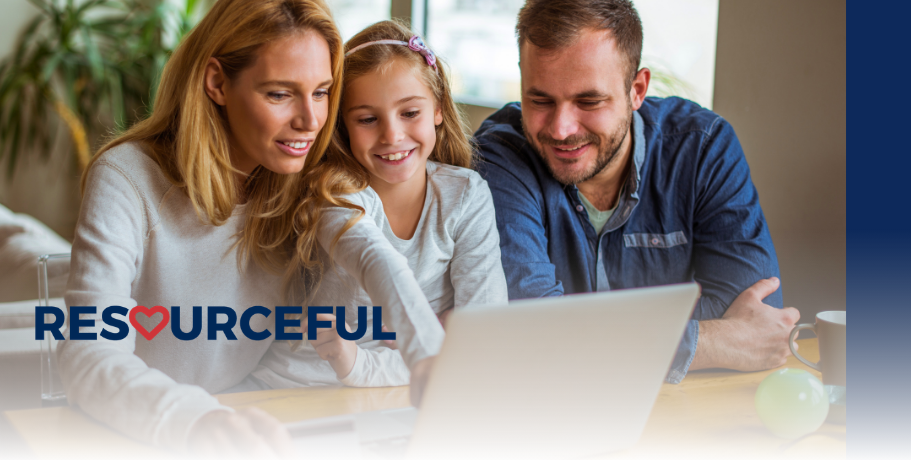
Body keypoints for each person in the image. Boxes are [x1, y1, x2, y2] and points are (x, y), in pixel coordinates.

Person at [57, 1, 442, 457]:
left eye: (321, 92)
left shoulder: (305, 178)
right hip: (129, 431)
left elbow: (372, 255)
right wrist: (200, 422)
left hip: (251, 421)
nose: (311, 121)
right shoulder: (127, 177)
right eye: (280, 94)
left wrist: (429, 356)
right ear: (217, 82)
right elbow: (86, 351)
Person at [474, 0, 800, 384]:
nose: (560, 129)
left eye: (588, 101)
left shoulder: (703, 149)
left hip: (687, 418)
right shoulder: (500, 157)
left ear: (637, 89)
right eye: (540, 100)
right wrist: (709, 342)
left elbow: (756, 316)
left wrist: (577, 336)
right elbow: (529, 329)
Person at [249, 20, 507, 389]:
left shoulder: (466, 196)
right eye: (368, 119)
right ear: (342, 127)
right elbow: (376, 261)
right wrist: (432, 356)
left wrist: (362, 364)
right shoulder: (331, 194)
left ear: (437, 109)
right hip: (299, 388)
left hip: (409, 391)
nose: (392, 135)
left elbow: (483, 342)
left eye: (410, 113)